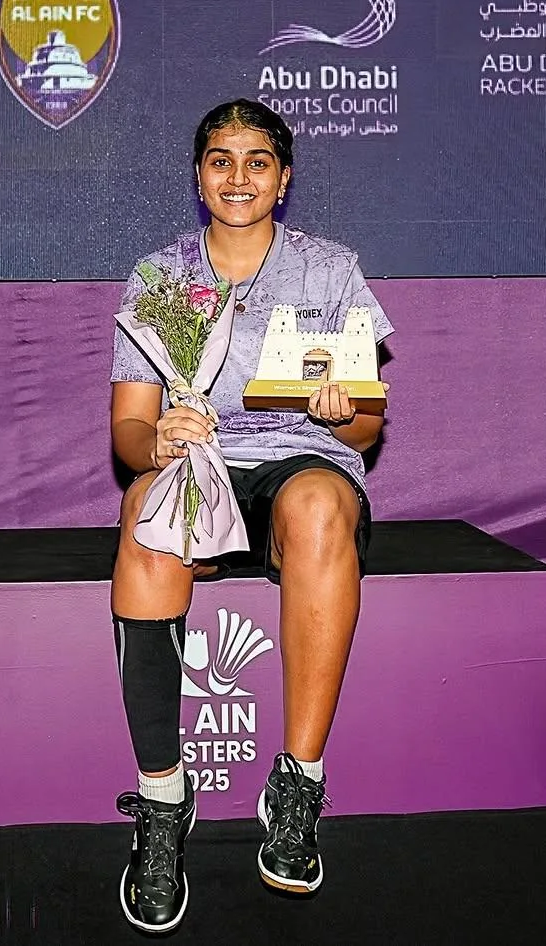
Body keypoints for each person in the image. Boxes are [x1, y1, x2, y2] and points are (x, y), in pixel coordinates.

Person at [109, 98, 393, 932]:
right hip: (200, 458)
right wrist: (158, 441)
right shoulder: (160, 276)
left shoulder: (330, 271)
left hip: (299, 457)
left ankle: (298, 785)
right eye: (221, 160)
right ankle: (164, 800)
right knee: (146, 512)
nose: (239, 177)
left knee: (318, 504)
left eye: (257, 161)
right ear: (199, 176)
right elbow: (128, 430)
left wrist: (344, 411)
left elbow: (368, 428)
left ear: (284, 177)